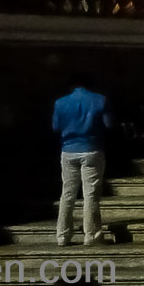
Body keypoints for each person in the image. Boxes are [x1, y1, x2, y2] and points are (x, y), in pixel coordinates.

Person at [51, 76, 113, 246]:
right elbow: (108, 124)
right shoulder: (100, 100)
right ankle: (90, 234)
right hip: (92, 148)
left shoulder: (60, 102)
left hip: (68, 150)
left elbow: (56, 127)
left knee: (68, 194)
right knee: (90, 194)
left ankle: (62, 235)